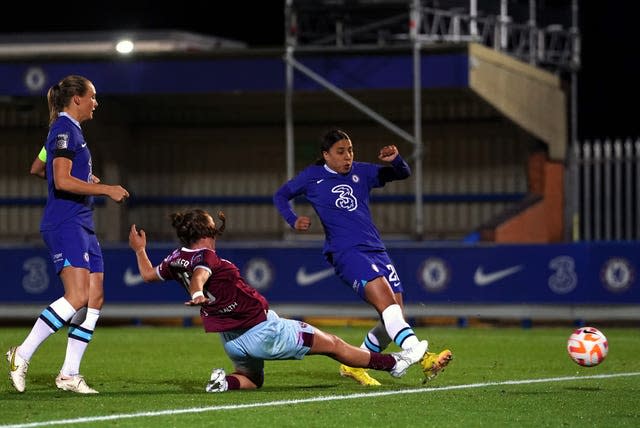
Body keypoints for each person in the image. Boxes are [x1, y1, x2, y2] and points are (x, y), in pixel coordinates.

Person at [128, 208, 429, 392]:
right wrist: (196, 292)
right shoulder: (207, 256)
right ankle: (393, 363)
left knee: (251, 379)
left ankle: (224, 382)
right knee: (334, 345)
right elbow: (200, 276)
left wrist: (140, 250)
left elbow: (147, 275)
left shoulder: (176, 258)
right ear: (207, 229)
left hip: (232, 339)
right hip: (264, 331)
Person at [273, 128, 452, 386]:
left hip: (376, 250)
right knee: (389, 308)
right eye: (341, 152)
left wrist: (396, 160)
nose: (348, 156)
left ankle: (352, 365)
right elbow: (280, 195)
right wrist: (292, 220)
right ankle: (423, 356)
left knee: (394, 315)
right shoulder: (312, 177)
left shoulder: (361, 171)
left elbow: (402, 173)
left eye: (350, 150)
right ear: (326, 155)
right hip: (346, 252)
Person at [6, 75, 130, 394]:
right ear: (77, 98)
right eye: (93, 96)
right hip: (65, 222)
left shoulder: (69, 132)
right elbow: (60, 181)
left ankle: (69, 374)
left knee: (94, 297)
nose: (96, 102)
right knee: (76, 297)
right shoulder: (63, 129)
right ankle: (22, 354)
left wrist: (85, 177)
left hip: (82, 222)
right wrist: (104, 188)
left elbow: (38, 167)